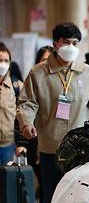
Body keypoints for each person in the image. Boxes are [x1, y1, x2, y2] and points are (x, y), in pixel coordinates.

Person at [16, 23, 89, 203]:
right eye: (66, 43)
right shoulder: (38, 73)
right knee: (51, 198)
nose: (71, 48)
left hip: (82, 150)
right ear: (55, 44)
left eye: (75, 43)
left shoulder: (88, 73)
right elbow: (27, 103)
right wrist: (25, 124)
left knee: (81, 198)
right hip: (51, 147)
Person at [14, 46, 54, 188]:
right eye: (44, 59)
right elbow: (22, 111)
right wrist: (22, 143)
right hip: (34, 140)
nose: (48, 63)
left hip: (53, 140)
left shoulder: (60, 82)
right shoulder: (31, 81)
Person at [0, 43, 21, 164]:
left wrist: (21, 144)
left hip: (8, 144)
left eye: (6, 60)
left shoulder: (16, 86)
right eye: (0, 60)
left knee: (5, 181)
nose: (2, 64)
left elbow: (23, 115)